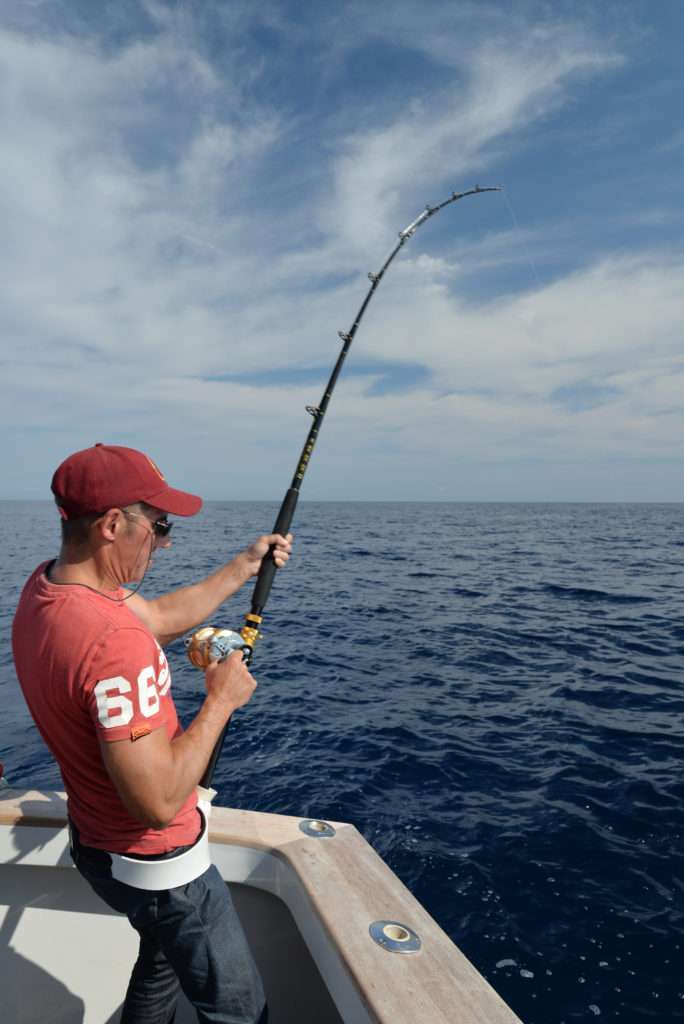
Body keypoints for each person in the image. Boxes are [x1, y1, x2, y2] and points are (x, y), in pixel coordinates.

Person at [12, 443, 294, 1024]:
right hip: (163, 869)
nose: (165, 542)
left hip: (95, 845)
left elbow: (159, 618)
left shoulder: (47, 589)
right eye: (159, 526)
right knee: (240, 1011)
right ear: (113, 525)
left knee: (161, 962)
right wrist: (220, 701)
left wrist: (244, 565)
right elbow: (158, 802)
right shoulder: (114, 642)